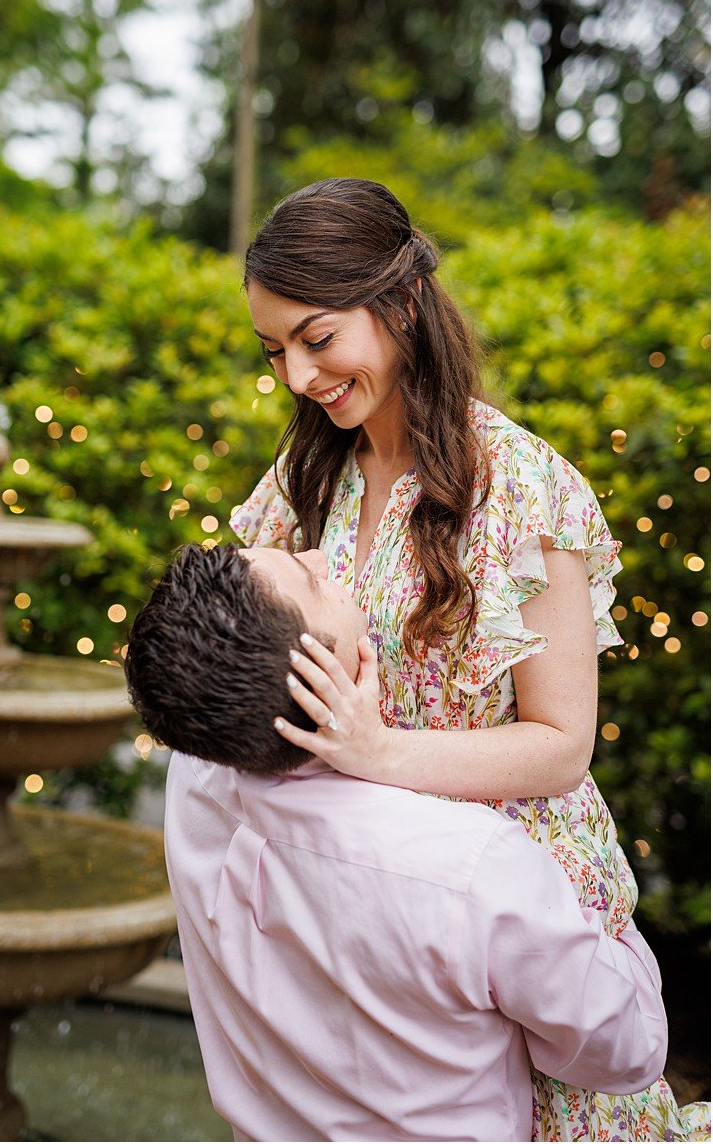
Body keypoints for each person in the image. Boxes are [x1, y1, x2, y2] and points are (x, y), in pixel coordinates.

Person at [227, 177, 703, 1140]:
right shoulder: (302, 480)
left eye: (318, 339)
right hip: (363, 894)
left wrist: (380, 754)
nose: (297, 377)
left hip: (517, 913)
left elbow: (563, 744)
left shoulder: (527, 487)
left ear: (400, 302)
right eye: (276, 350)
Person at [124, 542, 675, 1141]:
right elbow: (629, 1048)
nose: (316, 555)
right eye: (311, 583)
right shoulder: (469, 867)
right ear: (323, 681)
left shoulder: (196, 779)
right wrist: (594, 899)